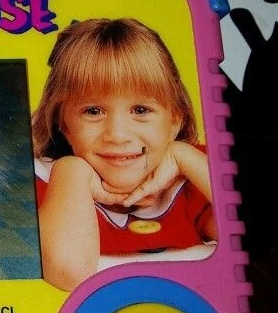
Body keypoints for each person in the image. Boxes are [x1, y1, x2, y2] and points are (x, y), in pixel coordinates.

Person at [30, 18, 216, 291]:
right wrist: (72, 171)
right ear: (64, 124)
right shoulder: (48, 185)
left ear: (174, 121)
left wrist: (183, 156)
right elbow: (68, 272)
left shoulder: (194, 173)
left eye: (141, 110)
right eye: (93, 111)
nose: (117, 135)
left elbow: (251, 238)